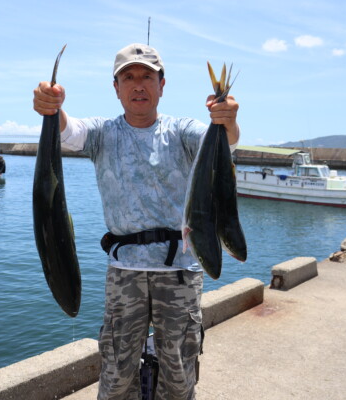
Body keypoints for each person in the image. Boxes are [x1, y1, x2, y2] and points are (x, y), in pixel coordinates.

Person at [33, 43, 240, 400]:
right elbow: (68, 132)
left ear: (162, 84)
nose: (138, 85)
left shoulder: (182, 130)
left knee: (179, 371)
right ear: (116, 88)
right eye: (128, 77)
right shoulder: (102, 133)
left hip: (180, 271)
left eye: (147, 76)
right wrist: (52, 108)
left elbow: (224, 144)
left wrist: (228, 120)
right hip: (124, 271)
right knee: (116, 371)